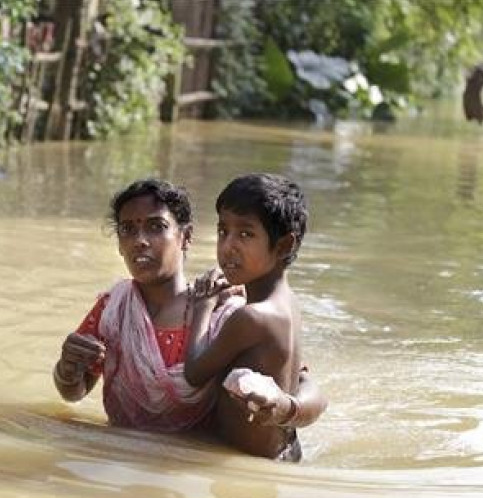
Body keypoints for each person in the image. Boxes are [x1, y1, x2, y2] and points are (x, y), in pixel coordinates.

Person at [52, 178, 320, 435]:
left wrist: (286, 408)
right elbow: (74, 392)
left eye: (156, 226)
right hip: (122, 459)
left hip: (191, 465)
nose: (139, 240)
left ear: (186, 236)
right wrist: (67, 370)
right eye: (128, 229)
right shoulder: (112, 309)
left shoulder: (223, 310)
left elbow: (299, 381)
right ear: (120, 245)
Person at [184, 174, 328, 462]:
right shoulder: (290, 303)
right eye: (223, 231)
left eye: (246, 234)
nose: (228, 246)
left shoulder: (251, 317)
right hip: (284, 452)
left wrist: (203, 306)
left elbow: (194, 372)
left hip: (245, 460)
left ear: (284, 245)